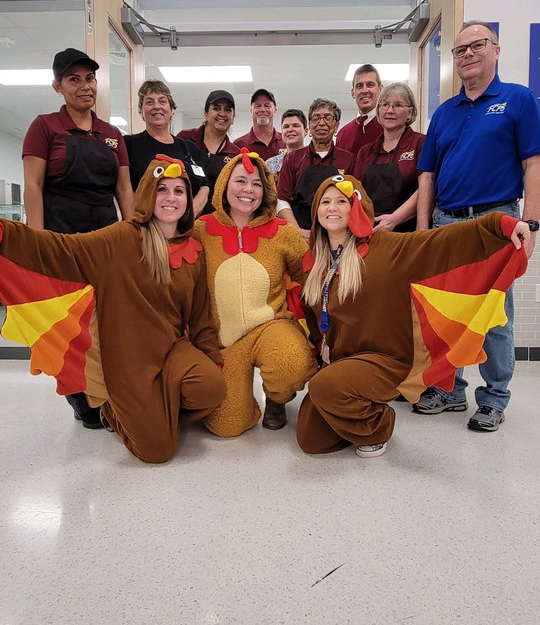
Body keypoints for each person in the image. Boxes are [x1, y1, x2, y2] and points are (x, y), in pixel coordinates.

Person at [0, 157, 225, 464]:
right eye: (162, 190)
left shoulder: (194, 250)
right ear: (148, 193)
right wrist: (6, 233)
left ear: (188, 200)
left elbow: (201, 317)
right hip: (126, 363)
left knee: (211, 388)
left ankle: (154, 413)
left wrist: (213, 360)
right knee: (156, 452)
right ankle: (114, 408)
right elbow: (63, 250)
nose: (171, 198)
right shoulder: (121, 239)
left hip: (173, 350)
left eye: (178, 191)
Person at [296, 175, 529, 459]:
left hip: (385, 359)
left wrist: (498, 224)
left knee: (324, 388)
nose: (332, 208)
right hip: (341, 361)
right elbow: (313, 318)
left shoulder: (387, 247)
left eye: (341, 201)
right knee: (311, 439)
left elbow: (443, 242)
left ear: (356, 207)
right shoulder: (312, 262)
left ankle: (380, 426)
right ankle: (356, 401)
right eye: (326, 202)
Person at [413, 20, 540, 432]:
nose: (467, 53)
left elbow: (533, 164)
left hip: (495, 222)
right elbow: (427, 176)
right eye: (460, 48)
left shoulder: (518, 100)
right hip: (446, 223)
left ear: (496, 51)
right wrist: (422, 233)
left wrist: (531, 224)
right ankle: (451, 391)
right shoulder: (444, 113)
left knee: (494, 316)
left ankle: (494, 398)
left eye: (477, 45)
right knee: (449, 313)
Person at [22, 47, 135, 429]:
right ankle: (80, 397)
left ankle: (104, 387)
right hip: (61, 238)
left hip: (104, 238)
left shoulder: (111, 134)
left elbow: (124, 190)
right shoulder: (45, 127)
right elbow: (33, 186)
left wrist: (134, 233)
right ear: (58, 87)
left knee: (105, 319)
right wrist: (37, 242)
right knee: (69, 324)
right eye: (74, 79)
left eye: (89, 78)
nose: (84, 86)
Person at [194, 149, 317, 436]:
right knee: (227, 426)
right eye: (240, 181)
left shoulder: (284, 232)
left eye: (257, 184)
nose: (248, 190)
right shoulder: (201, 229)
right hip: (223, 339)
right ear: (224, 185)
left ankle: (276, 399)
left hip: (271, 326)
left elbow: (311, 276)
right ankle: (241, 400)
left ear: (267, 190)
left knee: (291, 365)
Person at [125, 79, 210, 217]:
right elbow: (124, 190)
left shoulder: (190, 148)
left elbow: (204, 187)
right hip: (146, 228)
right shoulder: (129, 145)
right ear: (141, 111)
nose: (156, 106)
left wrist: (185, 217)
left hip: (187, 227)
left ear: (172, 110)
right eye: (149, 102)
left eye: (162, 101)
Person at [353, 83, 425, 232]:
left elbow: (426, 188)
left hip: (408, 230)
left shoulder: (420, 143)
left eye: (398, 105)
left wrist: (395, 218)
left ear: (410, 113)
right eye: (385, 105)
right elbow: (357, 193)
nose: (390, 110)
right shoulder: (365, 152)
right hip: (373, 231)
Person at [277, 98, 353, 237]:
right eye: (316, 118)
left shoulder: (348, 159)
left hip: (338, 235)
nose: (321, 123)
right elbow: (282, 199)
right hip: (300, 234)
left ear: (336, 126)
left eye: (328, 118)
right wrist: (297, 232)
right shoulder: (293, 158)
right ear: (310, 126)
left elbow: (355, 200)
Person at [178, 89, 239, 213]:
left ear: (233, 118)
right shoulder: (184, 139)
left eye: (228, 110)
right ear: (205, 114)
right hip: (181, 216)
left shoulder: (236, 154)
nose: (222, 113)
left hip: (218, 223)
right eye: (216, 108)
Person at [336, 64, 383, 157]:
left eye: (370, 85)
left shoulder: (389, 128)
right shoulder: (343, 134)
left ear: (380, 89)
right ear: (353, 93)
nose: (365, 90)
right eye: (359, 86)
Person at [234, 88, 283, 160]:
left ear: (275, 110)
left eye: (267, 105)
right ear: (251, 110)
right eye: (258, 106)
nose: (262, 110)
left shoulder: (286, 141)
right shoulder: (238, 145)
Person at [266, 108, 309, 177]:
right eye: (286, 127)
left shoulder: (315, 161)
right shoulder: (270, 165)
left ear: (306, 131)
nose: (290, 130)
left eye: (296, 126)